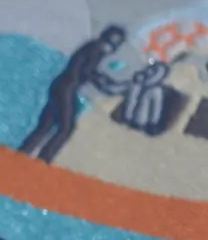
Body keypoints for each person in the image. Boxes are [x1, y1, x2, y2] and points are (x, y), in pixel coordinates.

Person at [19, 25, 128, 161]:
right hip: (67, 88)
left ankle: (21, 155)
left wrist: (107, 82)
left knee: (46, 125)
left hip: (60, 85)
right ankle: (43, 160)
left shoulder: (92, 47)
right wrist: (108, 85)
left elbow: (90, 72)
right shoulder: (95, 50)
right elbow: (88, 73)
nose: (111, 48)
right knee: (66, 128)